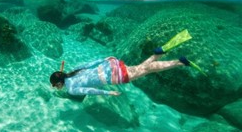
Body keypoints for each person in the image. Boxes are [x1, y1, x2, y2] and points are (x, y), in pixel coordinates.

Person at [50, 30, 203, 96]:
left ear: (58, 84)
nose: (57, 88)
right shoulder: (73, 71)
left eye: (56, 85)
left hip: (113, 77)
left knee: (146, 69)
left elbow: (89, 91)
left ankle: (180, 62)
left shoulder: (71, 88)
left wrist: (108, 92)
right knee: (142, 69)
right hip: (109, 66)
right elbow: (89, 63)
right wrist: (105, 59)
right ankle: (158, 53)